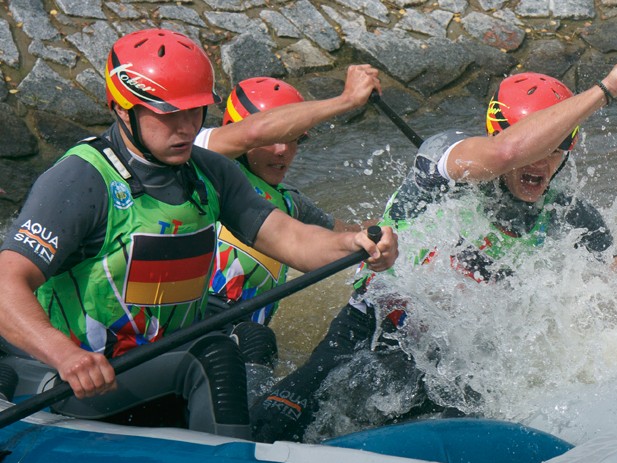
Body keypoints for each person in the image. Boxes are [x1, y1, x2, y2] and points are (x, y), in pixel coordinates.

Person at [248, 51, 617, 444]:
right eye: (532, 144)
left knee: (466, 421)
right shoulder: (446, 158)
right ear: (499, 134)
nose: (539, 161)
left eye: (556, 147)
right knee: (278, 419)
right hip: (375, 326)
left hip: (458, 361)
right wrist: (603, 89)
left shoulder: (570, 214)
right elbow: (501, 154)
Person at [0, 28, 396, 440]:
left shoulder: (209, 172)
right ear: (121, 107)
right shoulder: (81, 179)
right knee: (212, 352)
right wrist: (64, 355)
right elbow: (6, 281)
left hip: (151, 376)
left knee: (238, 347)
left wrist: (352, 244)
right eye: (169, 114)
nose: (187, 127)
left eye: (195, 112)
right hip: (68, 384)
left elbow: (291, 239)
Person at [194, 72, 381, 385]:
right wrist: (346, 100)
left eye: (292, 139)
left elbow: (349, 232)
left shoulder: (292, 204)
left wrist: (404, 216)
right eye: (270, 140)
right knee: (257, 339)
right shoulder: (205, 170)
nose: (282, 150)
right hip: (198, 324)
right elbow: (249, 132)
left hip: (244, 339)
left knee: (258, 339)